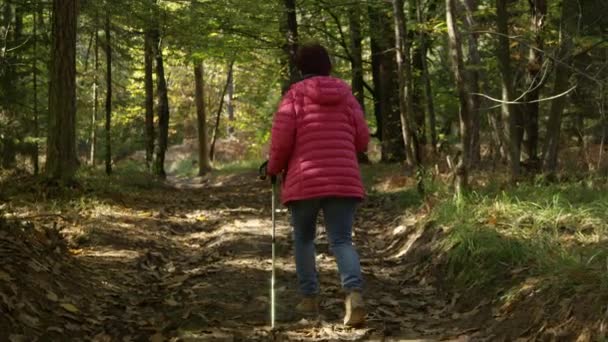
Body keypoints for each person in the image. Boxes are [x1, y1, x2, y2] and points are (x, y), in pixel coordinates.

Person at [265, 42, 370, 327]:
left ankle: (309, 298)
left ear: (301, 68)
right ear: (328, 66)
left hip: (305, 179)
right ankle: (353, 294)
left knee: (303, 239)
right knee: (341, 240)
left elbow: (282, 141)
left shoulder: (294, 96)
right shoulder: (347, 96)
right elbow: (362, 140)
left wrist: (273, 169)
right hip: (343, 178)